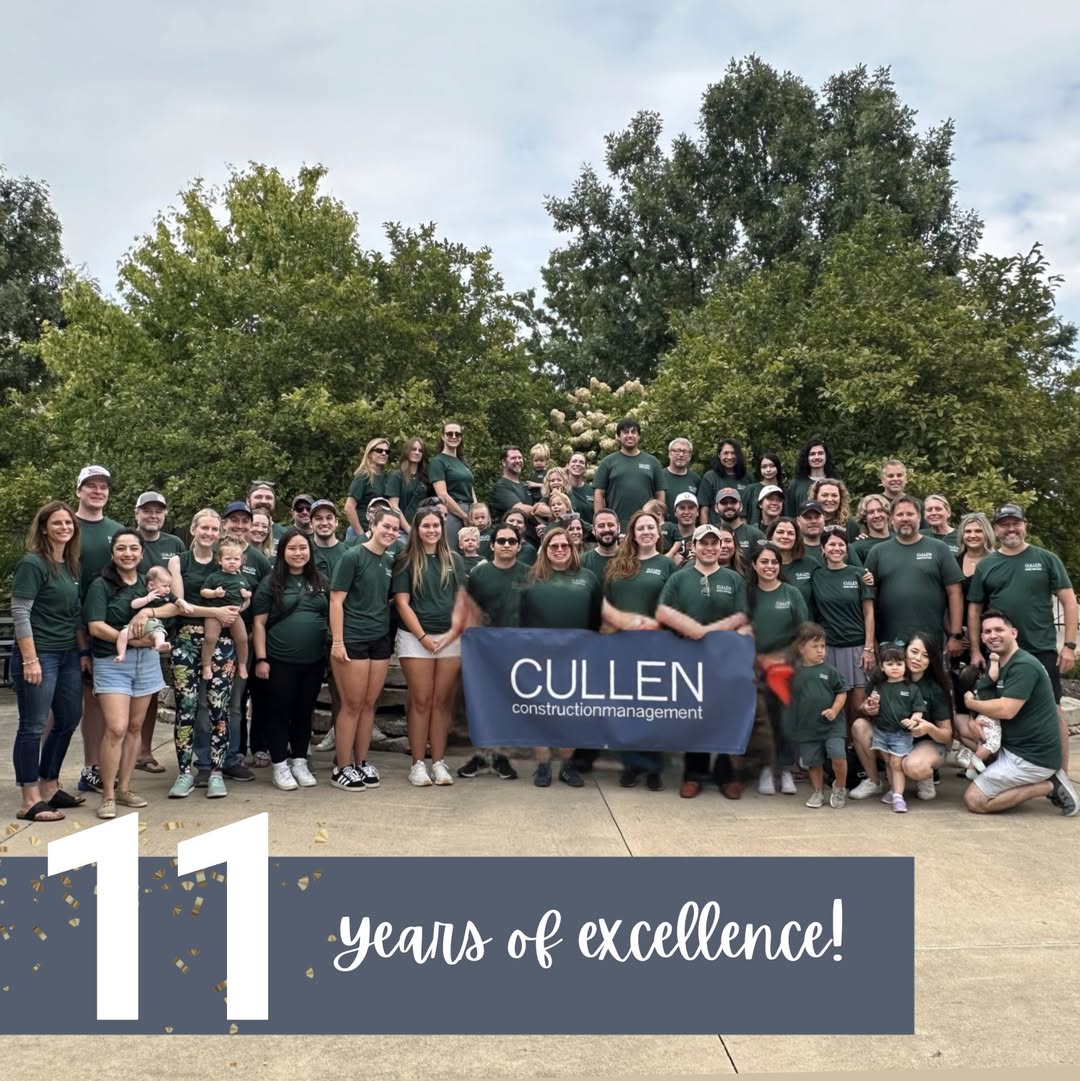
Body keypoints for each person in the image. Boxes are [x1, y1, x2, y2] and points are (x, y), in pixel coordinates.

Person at [968, 503, 1077, 770]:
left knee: (1052, 711)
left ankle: (1060, 775)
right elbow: (974, 610)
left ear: (1024, 525)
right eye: (1004, 525)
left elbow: (1069, 601)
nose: (1010, 529)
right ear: (996, 530)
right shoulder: (987, 565)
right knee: (998, 713)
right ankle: (1002, 769)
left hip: (1040, 649)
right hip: (999, 654)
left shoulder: (1046, 559)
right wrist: (975, 650)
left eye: (1015, 523)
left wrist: (1069, 645)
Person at [84, 530, 179, 819]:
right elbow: (95, 626)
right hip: (113, 662)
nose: (128, 554)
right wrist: (130, 640)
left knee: (135, 727)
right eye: (122, 548)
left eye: (134, 548)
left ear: (141, 553)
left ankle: (125, 788)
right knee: (116, 728)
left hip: (147, 663)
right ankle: (108, 795)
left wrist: (148, 614)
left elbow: (174, 605)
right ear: (112, 553)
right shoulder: (101, 585)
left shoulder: (148, 583)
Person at [655, 523, 751, 799]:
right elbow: (663, 611)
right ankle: (693, 773)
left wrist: (707, 631)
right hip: (690, 657)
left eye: (714, 543)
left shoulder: (733, 579)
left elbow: (742, 615)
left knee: (725, 715)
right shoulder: (679, 578)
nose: (709, 548)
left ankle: (725, 773)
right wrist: (691, 630)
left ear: (721, 547)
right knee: (695, 715)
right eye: (703, 543)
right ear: (693, 546)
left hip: (725, 658)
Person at [11, 501, 87, 822]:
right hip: (40, 654)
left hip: (68, 653)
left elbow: (75, 615)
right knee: (33, 725)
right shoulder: (33, 563)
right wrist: (30, 660)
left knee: (69, 718)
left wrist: (83, 653)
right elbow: (20, 612)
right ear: (43, 528)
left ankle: (49, 786)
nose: (64, 528)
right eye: (57, 523)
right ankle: (29, 800)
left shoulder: (70, 565)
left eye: (68, 523)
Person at [960, 609, 1077, 816]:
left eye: (999, 630)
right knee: (958, 724)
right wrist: (972, 720)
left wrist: (971, 704)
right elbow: (987, 696)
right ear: (982, 638)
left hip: (1032, 756)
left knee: (975, 800)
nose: (993, 635)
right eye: (987, 632)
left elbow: (1006, 710)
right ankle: (999, 768)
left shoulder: (1024, 665)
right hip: (1011, 745)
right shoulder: (998, 664)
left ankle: (1050, 784)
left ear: (1013, 633)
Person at [166, 509, 242, 800]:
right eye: (204, 528)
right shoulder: (179, 561)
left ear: (220, 532)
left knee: (219, 708)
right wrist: (216, 611)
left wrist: (231, 612)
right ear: (193, 529)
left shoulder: (226, 560)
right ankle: (185, 772)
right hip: (186, 640)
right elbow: (180, 604)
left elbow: (239, 601)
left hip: (221, 641)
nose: (209, 533)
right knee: (186, 708)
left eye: (214, 529)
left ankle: (216, 772)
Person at [519, 528, 603, 788]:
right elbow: (519, 617)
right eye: (553, 546)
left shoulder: (588, 578)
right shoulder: (530, 578)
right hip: (538, 658)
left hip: (577, 657)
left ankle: (567, 766)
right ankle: (543, 765)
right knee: (539, 712)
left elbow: (596, 618)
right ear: (544, 550)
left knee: (572, 713)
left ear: (572, 548)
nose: (559, 550)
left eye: (564, 545)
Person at [393, 507, 467, 787]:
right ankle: (417, 764)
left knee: (442, 701)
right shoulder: (405, 560)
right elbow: (402, 603)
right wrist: (423, 637)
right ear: (416, 528)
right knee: (421, 700)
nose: (432, 530)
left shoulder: (454, 560)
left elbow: (461, 602)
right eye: (426, 525)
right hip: (415, 638)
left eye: (436, 525)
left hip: (449, 638)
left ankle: (438, 761)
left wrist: (450, 635)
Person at [327, 506, 400, 791]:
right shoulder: (353, 556)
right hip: (353, 639)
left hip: (379, 639)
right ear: (373, 525)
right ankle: (342, 767)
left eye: (395, 529)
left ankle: (361, 762)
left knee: (369, 704)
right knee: (352, 705)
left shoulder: (390, 560)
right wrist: (338, 641)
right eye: (386, 526)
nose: (390, 532)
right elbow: (336, 600)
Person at [601, 510, 674, 790]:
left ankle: (654, 768)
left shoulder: (667, 566)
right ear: (632, 533)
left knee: (653, 708)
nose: (646, 532)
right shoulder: (617, 565)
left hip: (655, 647)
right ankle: (632, 765)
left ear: (658, 533)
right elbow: (606, 605)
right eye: (640, 528)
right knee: (626, 708)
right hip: (621, 646)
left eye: (650, 527)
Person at [251, 529, 327, 792]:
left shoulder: (320, 581)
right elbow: (259, 624)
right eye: (292, 548)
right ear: (282, 551)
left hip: (314, 661)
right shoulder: (271, 583)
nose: (298, 553)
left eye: (303, 548)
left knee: (304, 712)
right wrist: (261, 658)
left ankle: (299, 761)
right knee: (280, 712)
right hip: (279, 659)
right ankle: (280, 764)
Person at [457, 521, 530, 781]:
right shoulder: (480, 575)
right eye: (501, 541)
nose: (506, 545)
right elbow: (470, 612)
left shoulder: (529, 574)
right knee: (482, 705)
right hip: (484, 650)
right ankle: (480, 756)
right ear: (492, 545)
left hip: (517, 651)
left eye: (512, 541)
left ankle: (501, 758)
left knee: (507, 705)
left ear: (519, 546)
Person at [850, 633, 955, 802]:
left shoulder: (933, 688)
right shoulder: (883, 676)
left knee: (914, 767)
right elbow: (861, 706)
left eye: (925, 655)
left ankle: (925, 775)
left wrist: (928, 727)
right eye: (914, 651)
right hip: (890, 736)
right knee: (859, 726)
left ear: (931, 661)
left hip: (924, 742)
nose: (918, 658)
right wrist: (867, 708)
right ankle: (874, 781)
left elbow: (946, 735)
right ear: (904, 651)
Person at [73, 465, 124, 796]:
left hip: (106, 629)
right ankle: (44, 775)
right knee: (63, 708)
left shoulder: (117, 530)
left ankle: (96, 768)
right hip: (70, 626)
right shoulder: (66, 525)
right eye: (90, 485)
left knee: (101, 702)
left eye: (103, 486)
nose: (97, 491)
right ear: (78, 490)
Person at [865, 495, 965, 654]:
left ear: (919, 517)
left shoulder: (939, 548)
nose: (905, 518)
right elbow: (868, 598)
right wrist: (871, 640)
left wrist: (955, 634)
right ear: (892, 519)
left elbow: (955, 592)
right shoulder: (877, 552)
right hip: (889, 640)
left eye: (910, 514)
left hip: (930, 640)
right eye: (900, 514)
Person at [748, 541, 809, 795]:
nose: (770, 566)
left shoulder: (791, 593)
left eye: (774, 562)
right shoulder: (747, 595)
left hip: (786, 668)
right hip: (753, 667)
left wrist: (782, 657)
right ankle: (764, 768)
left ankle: (785, 770)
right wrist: (757, 659)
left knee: (785, 720)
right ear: (754, 565)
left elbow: (804, 633)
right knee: (761, 721)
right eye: (764, 561)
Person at [133, 489, 186, 774]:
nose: (153, 516)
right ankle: (119, 756)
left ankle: (144, 752)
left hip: (164, 628)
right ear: (137, 513)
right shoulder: (127, 541)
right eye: (147, 510)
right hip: (129, 625)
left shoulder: (174, 543)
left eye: (158, 511)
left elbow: (178, 590)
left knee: (151, 691)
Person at [811, 527, 874, 727]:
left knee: (859, 706)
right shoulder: (816, 575)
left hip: (857, 648)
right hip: (829, 648)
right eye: (831, 544)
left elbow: (869, 613)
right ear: (823, 548)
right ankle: (840, 744)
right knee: (835, 703)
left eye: (841, 544)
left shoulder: (859, 574)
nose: (836, 548)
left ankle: (858, 743)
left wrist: (868, 648)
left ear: (847, 548)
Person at [785, 623, 849, 808]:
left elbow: (842, 691)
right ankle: (818, 792)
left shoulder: (830, 671)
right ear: (801, 648)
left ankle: (839, 787)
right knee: (813, 762)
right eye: (815, 646)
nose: (820, 650)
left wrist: (834, 710)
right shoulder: (795, 673)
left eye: (823, 646)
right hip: (807, 727)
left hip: (832, 725)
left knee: (838, 755)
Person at [863, 644, 926, 813]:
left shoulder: (911, 688)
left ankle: (898, 797)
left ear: (905, 666)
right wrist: (873, 703)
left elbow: (918, 710)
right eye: (889, 664)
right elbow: (872, 708)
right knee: (889, 763)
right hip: (881, 732)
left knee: (896, 763)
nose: (895, 667)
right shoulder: (879, 687)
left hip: (901, 734)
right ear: (882, 667)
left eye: (899, 663)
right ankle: (893, 790)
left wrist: (913, 721)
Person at [593, 416, 666, 528]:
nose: (630, 435)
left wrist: (659, 521)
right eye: (626, 432)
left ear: (639, 436)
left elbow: (660, 493)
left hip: (646, 526)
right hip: (616, 526)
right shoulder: (608, 462)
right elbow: (599, 493)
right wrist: (600, 521)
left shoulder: (652, 462)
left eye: (633, 432)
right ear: (618, 436)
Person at [199, 538, 252, 681]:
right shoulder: (214, 577)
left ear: (241, 561)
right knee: (210, 638)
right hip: (214, 612)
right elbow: (203, 592)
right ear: (220, 561)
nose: (232, 562)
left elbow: (249, 593)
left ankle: (242, 664)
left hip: (235, 614)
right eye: (228, 559)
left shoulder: (242, 579)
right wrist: (214, 593)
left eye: (236, 559)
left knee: (243, 638)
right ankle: (206, 666)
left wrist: (247, 594)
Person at [114, 565, 183, 660]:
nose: (168, 589)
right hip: (136, 625)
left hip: (154, 624)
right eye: (165, 586)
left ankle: (160, 644)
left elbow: (176, 600)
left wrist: (184, 604)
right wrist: (147, 598)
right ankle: (121, 654)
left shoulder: (167, 595)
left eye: (169, 586)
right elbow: (134, 604)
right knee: (123, 634)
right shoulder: (142, 592)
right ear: (151, 585)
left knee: (159, 633)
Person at [429, 421, 476, 549]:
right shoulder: (438, 462)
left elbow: (471, 488)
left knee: (470, 551)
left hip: (469, 512)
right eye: (450, 434)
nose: (454, 437)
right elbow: (442, 494)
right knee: (451, 550)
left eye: (457, 434)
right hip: (452, 512)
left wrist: (476, 510)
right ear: (443, 436)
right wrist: (463, 516)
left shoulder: (463, 463)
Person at [767, 517, 819, 611]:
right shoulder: (761, 565)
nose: (785, 536)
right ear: (771, 536)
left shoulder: (810, 564)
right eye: (780, 532)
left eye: (790, 533)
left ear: (797, 538)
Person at [345, 437, 391, 537]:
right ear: (370, 453)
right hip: (360, 531)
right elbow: (349, 507)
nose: (384, 453)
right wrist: (362, 535)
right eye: (379, 450)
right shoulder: (364, 476)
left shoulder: (387, 477)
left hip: (378, 532)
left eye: (387, 451)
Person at [698, 438, 754, 517]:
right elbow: (704, 508)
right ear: (719, 455)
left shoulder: (748, 477)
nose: (729, 457)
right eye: (725, 453)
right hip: (716, 524)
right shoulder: (709, 477)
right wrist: (705, 525)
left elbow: (752, 507)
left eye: (733, 453)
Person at [387, 437, 430, 535]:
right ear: (407, 451)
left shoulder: (425, 478)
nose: (417, 452)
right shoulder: (396, 475)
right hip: (400, 530)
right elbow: (394, 505)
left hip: (421, 529)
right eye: (413, 449)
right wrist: (408, 529)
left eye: (420, 450)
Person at [707, 487, 764, 556]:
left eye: (733, 502)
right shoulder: (710, 534)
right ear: (716, 507)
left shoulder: (756, 535)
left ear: (741, 506)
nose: (729, 506)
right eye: (724, 503)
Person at [786, 439, 835, 517]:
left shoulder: (835, 483)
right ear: (807, 458)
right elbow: (789, 515)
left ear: (826, 456)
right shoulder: (796, 484)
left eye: (820, 453)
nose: (816, 457)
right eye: (812, 454)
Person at [663, 437, 701, 520]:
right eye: (677, 451)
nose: (681, 455)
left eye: (685, 452)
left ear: (690, 456)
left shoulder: (696, 479)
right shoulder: (659, 476)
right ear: (669, 454)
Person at [849, 494, 893, 564]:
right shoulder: (857, 548)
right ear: (864, 518)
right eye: (871, 512)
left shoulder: (901, 539)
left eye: (880, 510)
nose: (876, 515)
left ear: (887, 514)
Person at [744, 452, 785, 525]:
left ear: (778, 467)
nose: (768, 470)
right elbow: (742, 517)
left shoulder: (785, 491)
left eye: (772, 466)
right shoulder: (750, 489)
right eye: (764, 467)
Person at [582, 508, 621, 580]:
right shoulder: (583, 561)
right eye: (601, 526)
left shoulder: (631, 559)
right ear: (593, 530)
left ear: (618, 528)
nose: (606, 529)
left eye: (610, 525)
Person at [664, 492, 699, 569]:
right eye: (682, 508)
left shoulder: (703, 536)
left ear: (697, 512)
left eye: (691, 508)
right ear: (675, 512)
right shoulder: (665, 535)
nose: (686, 512)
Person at [566, 451, 595, 525]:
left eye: (581, 462)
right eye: (574, 461)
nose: (577, 464)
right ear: (567, 466)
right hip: (566, 531)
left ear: (585, 468)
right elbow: (541, 508)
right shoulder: (560, 488)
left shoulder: (592, 490)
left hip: (590, 531)